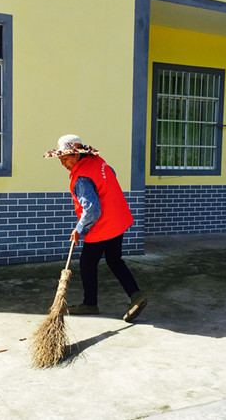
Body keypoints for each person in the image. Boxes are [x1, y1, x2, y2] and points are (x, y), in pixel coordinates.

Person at [44, 134, 147, 322]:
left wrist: (79, 229)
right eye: (60, 159)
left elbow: (92, 209)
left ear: (77, 155)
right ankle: (136, 295)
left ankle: (90, 303)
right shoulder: (100, 164)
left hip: (103, 227)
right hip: (118, 222)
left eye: (65, 158)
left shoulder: (82, 178)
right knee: (115, 261)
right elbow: (111, 178)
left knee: (87, 264)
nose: (63, 163)